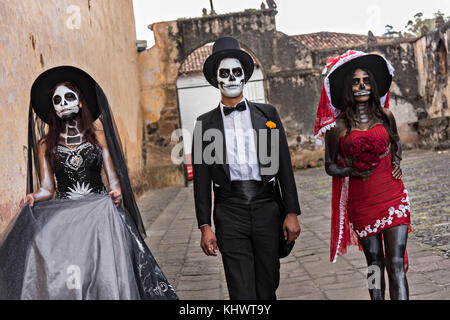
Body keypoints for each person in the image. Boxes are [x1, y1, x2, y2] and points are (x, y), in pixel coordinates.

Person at [0, 66, 178, 300]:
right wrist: (35, 196)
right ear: (53, 107)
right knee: (69, 272)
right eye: (57, 100)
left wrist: (115, 193)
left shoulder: (100, 137)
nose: (64, 103)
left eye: (69, 97)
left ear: (81, 103)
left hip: (100, 216)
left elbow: (114, 180)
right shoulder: (45, 144)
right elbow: (47, 188)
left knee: (103, 272)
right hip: (66, 219)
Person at [192, 37, 301, 300]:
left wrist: (292, 211)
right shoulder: (204, 124)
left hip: (267, 207)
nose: (230, 79)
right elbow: (202, 180)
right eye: (224, 73)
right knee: (240, 290)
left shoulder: (268, 116)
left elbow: (284, 165)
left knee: (267, 283)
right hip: (229, 212)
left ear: (245, 78)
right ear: (216, 80)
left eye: (236, 72)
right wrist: (205, 225)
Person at [314, 51, 411, 300]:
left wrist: (396, 161)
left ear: (373, 85)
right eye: (356, 82)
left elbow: (396, 142)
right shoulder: (338, 128)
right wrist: (351, 170)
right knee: (374, 264)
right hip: (362, 202)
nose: (361, 86)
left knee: (396, 262)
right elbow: (329, 166)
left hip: (392, 195)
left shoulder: (385, 116)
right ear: (348, 88)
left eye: (366, 81)